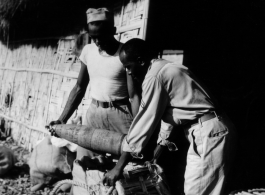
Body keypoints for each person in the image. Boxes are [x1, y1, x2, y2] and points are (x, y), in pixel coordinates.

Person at [103, 38, 237, 195]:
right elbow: (171, 114)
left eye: (128, 67)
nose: (129, 72)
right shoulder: (164, 67)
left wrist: (119, 167)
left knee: (197, 191)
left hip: (208, 132)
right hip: (213, 129)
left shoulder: (154, 76)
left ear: (140, 61)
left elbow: (144, 122)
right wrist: (159, 149)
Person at [49, 8, 140, 161]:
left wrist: (139, 128)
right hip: (94, 113)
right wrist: (62, 119)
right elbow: (79, 88)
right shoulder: (88, 51)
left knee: (128, 160)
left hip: (120, 113)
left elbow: (133, 96)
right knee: (85, 162)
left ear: (113, 31)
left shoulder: (124, 54)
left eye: (101, 37)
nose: (97, 42)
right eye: (93, 37)